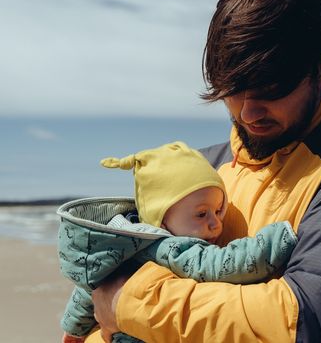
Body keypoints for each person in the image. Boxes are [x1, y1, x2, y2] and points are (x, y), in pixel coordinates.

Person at [89, 0, 321, 342]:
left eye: (270, 90)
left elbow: (305, 320)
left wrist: (129, 304)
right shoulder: (205, 169)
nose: (247, 114)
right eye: (231, 91)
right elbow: (117, 275)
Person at [58, 142, 296, 343]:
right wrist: (277, 240)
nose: (216, 224)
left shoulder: (123, 241)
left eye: (218, 210)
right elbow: (222, 264)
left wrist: (73, 329)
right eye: (202, 214)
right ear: (161, 220)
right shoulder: (171, 248)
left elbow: (87, 290)